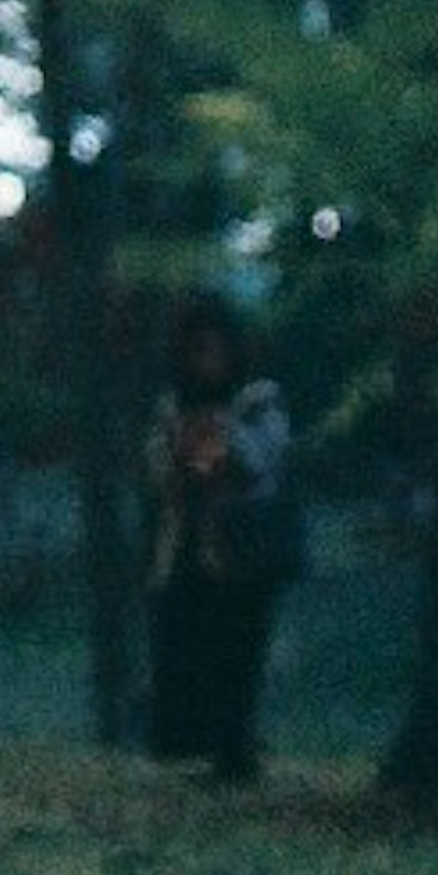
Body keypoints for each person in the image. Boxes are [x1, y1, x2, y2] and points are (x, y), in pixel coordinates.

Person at [143, 295, 296, 779]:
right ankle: (186, 745)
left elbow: (263, 466)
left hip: (243, 552)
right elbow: (159, 471)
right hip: (186, 551)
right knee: (186, 651)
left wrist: (223, 434)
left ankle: (235, 750)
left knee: (239, 654)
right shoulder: (172, 406)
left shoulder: (257, 402)